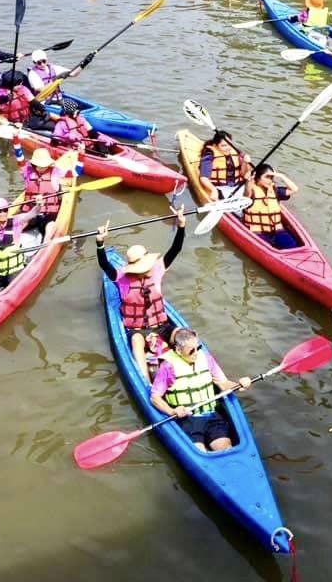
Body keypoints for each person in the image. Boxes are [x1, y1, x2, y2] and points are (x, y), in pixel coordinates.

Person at [96, 207, 186, 383]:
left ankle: (188, 368)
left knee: (183, 335)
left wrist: (181, 225)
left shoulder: (158, 269)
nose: (149, 268)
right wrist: (100, 243)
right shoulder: (121, 279)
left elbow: (175, 249)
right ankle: (145, 380)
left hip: (162, 325)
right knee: (137, 342)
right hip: (136, 330)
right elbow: (105, 265)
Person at [150, 326, 251, 453]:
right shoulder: (168, 366)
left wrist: (240, 384)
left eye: (197, 348)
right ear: (179, 350)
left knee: (226, 449)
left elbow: (224, 384)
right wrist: (172, 411)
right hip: (187, 419)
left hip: (211, 416)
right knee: (200, 451)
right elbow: (155, 398)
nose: (196, 353)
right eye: (191, 351)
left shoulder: (206, 358)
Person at [241, 161, 299, 249]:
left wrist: (281, 176)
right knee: (268, 247)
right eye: (267, 177)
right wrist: (249, 180)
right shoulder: (251, 191)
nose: (270, 180)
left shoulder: (275, 191)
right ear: (258, 177)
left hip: (277, 231)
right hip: (258, 232)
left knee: (294, 246)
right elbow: (247, 193)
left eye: (271, 178)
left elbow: (294, 189)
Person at [20, 147, 68, 241]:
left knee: (50, 227)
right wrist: (15, 138)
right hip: (30, 212)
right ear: (34, 164)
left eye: (44, 165)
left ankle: (45, 246)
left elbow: (75, 173)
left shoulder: (55, 173)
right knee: (19, 224)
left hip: (48, 215)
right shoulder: (27, 172)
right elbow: (20, 159)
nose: (42, 168)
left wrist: (81, 157)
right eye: (39, 165)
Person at [27, 48, 92, 101]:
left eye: (44, 61)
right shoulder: (32, 74)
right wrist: (56, 79)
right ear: (34, 63)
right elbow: (41, 90)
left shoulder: (53, 67)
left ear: (47, 59)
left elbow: (73, 74)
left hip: (58, 98)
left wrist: (84, 64)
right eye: (39, 63)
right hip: (43, 101)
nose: (42, 64)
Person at [198, 130, 247, 196]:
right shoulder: (209, 156)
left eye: (230, 144)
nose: (228, 148)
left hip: (238, 185)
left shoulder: (236, 152)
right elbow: (204, 177)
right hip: (220, 187)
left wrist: (245, 162)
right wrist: (213, 189)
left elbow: (244, 174)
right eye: (224, 146)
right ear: (216, 145)